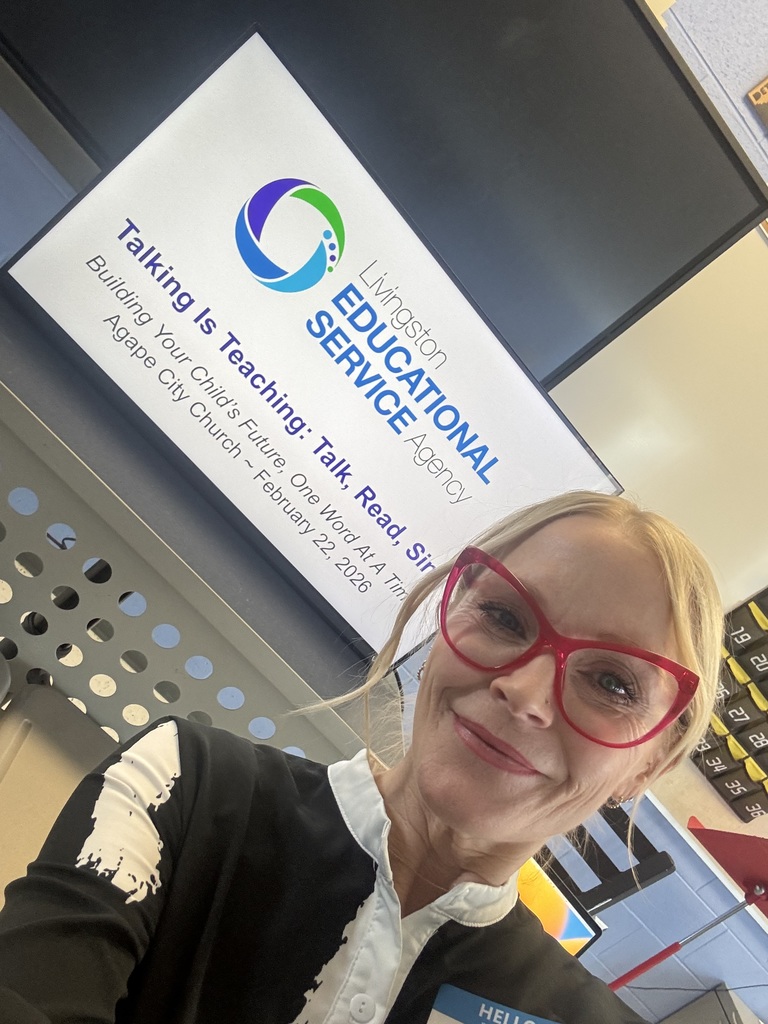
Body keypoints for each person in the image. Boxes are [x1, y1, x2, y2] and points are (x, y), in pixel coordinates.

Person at [0, 490, 722, 1024]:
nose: (525, 692)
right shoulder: (182, 785)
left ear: (644, 769)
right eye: (504, 616)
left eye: (612, 684)